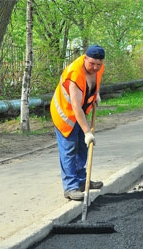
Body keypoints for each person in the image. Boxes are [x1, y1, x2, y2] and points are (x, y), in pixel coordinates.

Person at [50, 45, 105, 200]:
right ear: (85, 58)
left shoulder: (99, 68)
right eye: (92, 64)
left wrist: (96, 94)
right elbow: (75, 106)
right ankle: (70, 187)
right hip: (65, 115)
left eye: (98, 64)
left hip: (79, 112)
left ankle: (82, 181)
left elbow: (94, 83)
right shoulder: (74, 73)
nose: (95, 67)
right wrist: (87, 132)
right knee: (69, 150)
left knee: (82, 147)